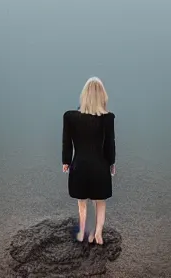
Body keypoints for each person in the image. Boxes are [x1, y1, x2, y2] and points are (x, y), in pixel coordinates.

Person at [62, 77, 116, 245]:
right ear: (102, 96)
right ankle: (98, 233)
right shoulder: (107, 118)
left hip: (79, 167)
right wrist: (112, 163)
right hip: (100, 167)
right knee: (99, 202)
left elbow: (67, 142)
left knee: (82, 204)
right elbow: (110, 144)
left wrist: (66, 161)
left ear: (84, 95)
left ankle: (83, 232)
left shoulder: (70, 117)